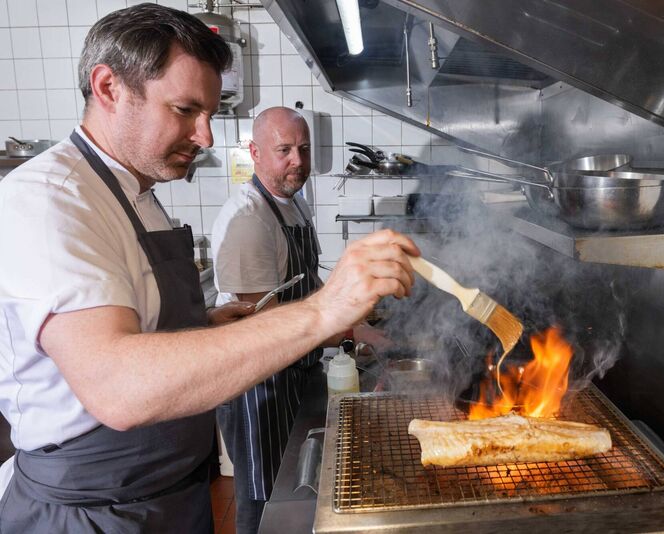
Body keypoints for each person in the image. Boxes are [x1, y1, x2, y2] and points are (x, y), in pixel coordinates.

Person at [0, 4, 418, 534]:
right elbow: (118, 387)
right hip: (92, 512)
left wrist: (202, 326)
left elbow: (139, 331)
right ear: (108, 88)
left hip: (168, 494)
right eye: (183, 110)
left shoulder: (138, 194)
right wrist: (325, 309)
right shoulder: (50, 200)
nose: (204, 137)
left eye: (210, 115)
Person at [212, 107, 385, 531]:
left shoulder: (293, 204)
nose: (298, 161)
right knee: (262, 499)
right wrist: (353, 331)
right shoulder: (249, 221)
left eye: (304, 149)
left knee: (288, 490)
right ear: (254, 152)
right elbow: (264, 323)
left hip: (291, 370)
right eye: (284, 150)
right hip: (258, 387)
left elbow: (303, 288)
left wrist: (353, 307)